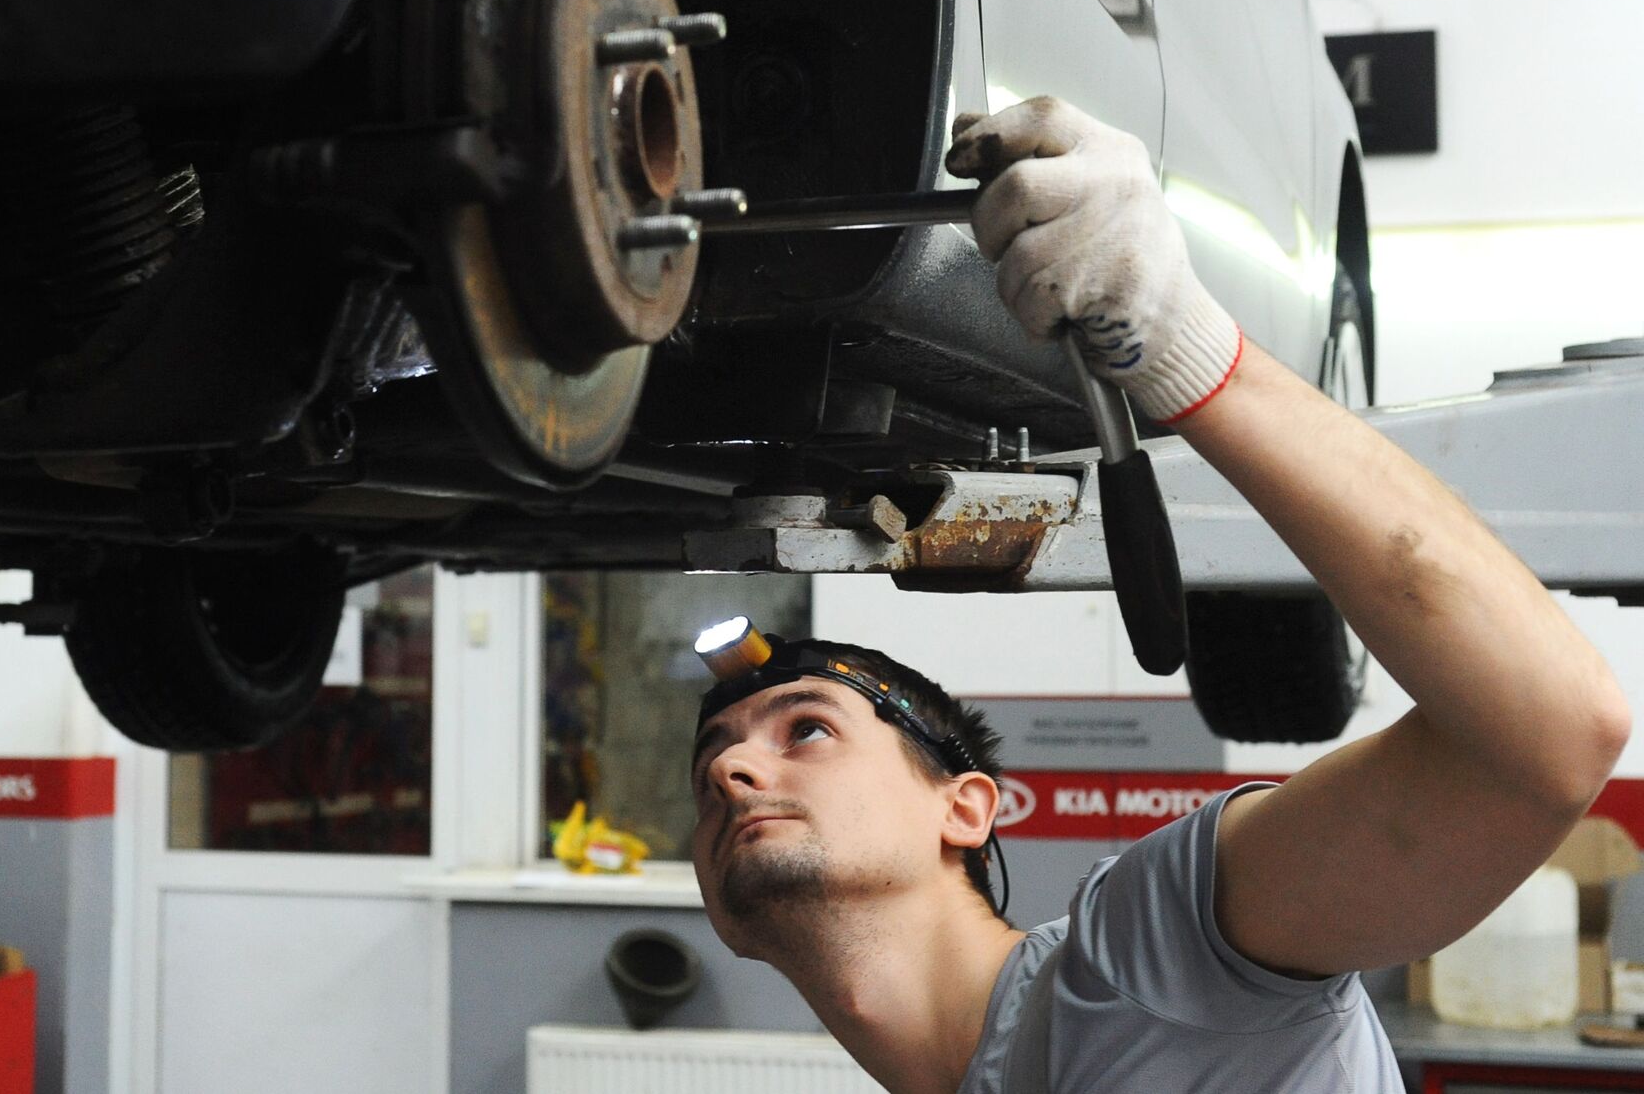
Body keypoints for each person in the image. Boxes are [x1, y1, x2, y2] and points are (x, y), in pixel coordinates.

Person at [687, 97, 1633, 1093]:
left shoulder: (1149, 955)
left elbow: (1549, 736)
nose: (733, 771)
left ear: (965, 807)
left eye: (807, 727)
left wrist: (1184, 346)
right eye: (710, 761)